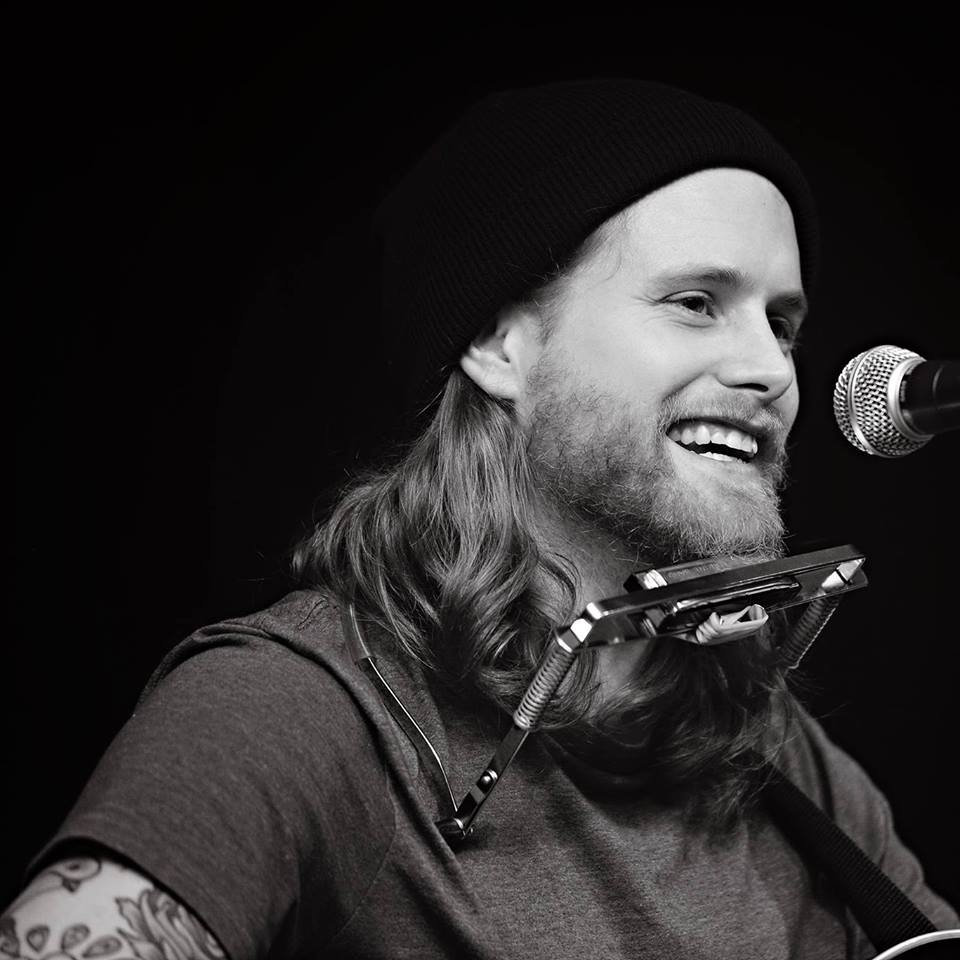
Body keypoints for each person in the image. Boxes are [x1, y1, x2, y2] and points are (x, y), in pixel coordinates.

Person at [5, 79, 957, 959]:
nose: (772, 370)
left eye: (782, 324)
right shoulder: (294, 711)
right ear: (501, 344)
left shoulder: (778, 754)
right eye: (696, 303)